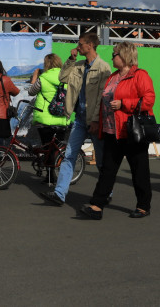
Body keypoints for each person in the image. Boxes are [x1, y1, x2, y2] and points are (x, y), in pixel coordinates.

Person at [81, 41, 155, 220]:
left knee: (139, 171)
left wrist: (124, 104)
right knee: (107, 171)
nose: (112, 57)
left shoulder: (140, 75)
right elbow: (103, 102)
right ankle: (97, 206)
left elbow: (149, 100)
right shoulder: (112, 77)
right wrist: (97, 121)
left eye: (115, 54)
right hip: (111, 131)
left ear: (125, 56)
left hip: (131, 132)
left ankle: (143, 205)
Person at [40, 32, 111, 206]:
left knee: (102, 161)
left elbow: (103, 97)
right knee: (69, 156)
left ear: (90, 46)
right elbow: (62, 78)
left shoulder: (104, 68)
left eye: (80, 44)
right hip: (79, 120)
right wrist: (70, 59)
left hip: (95, 121)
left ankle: (105, 193)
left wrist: (95, 120)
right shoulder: (78, 65)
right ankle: (59, 194)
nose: (77, 47)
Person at [28, 54, 70, 183]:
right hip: (62, 118)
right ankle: (59, 176)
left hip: (45, 119)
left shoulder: (43, 78)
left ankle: (50, 175)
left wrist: (35, 76)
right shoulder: (67, 78)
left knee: (47, 148)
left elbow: (31, 92)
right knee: (58, 148)